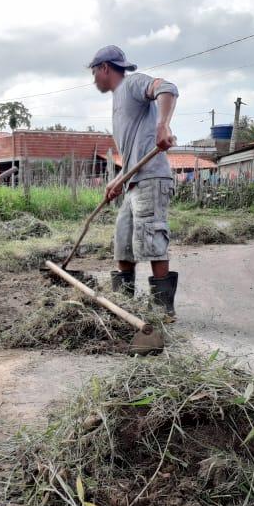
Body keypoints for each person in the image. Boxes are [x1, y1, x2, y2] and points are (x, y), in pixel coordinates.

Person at [88, 45, 180, 317]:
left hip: (151, 177)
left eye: (94, 72)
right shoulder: (117, 100)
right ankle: (123, 306)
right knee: (124, 243)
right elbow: (133, 153)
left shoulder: (132, 84)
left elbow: (168, 88)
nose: (93, 79)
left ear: (105, 68)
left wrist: (162, 125)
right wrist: (117, 179)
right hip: (133, 181)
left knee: (151, 239)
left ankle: (163, 312)